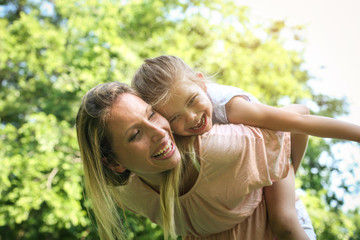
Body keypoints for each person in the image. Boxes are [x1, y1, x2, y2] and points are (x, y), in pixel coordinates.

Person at [132, 55, 360, 239]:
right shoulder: (172, 140)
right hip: (251, 168)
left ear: (201, 82)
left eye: (192, 100)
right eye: (175, 118)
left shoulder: (232, 108)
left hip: (271, 154)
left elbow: (301, 120)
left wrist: (287, 167)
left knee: (284, 223)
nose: (192, 118)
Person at [76, 81, 310, 240]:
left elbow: (296, 120)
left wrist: (281, 181)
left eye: (151, 114)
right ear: (113, 163)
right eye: (135, 135)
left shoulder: (215, 148)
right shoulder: (127, 194)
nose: (158, 132)